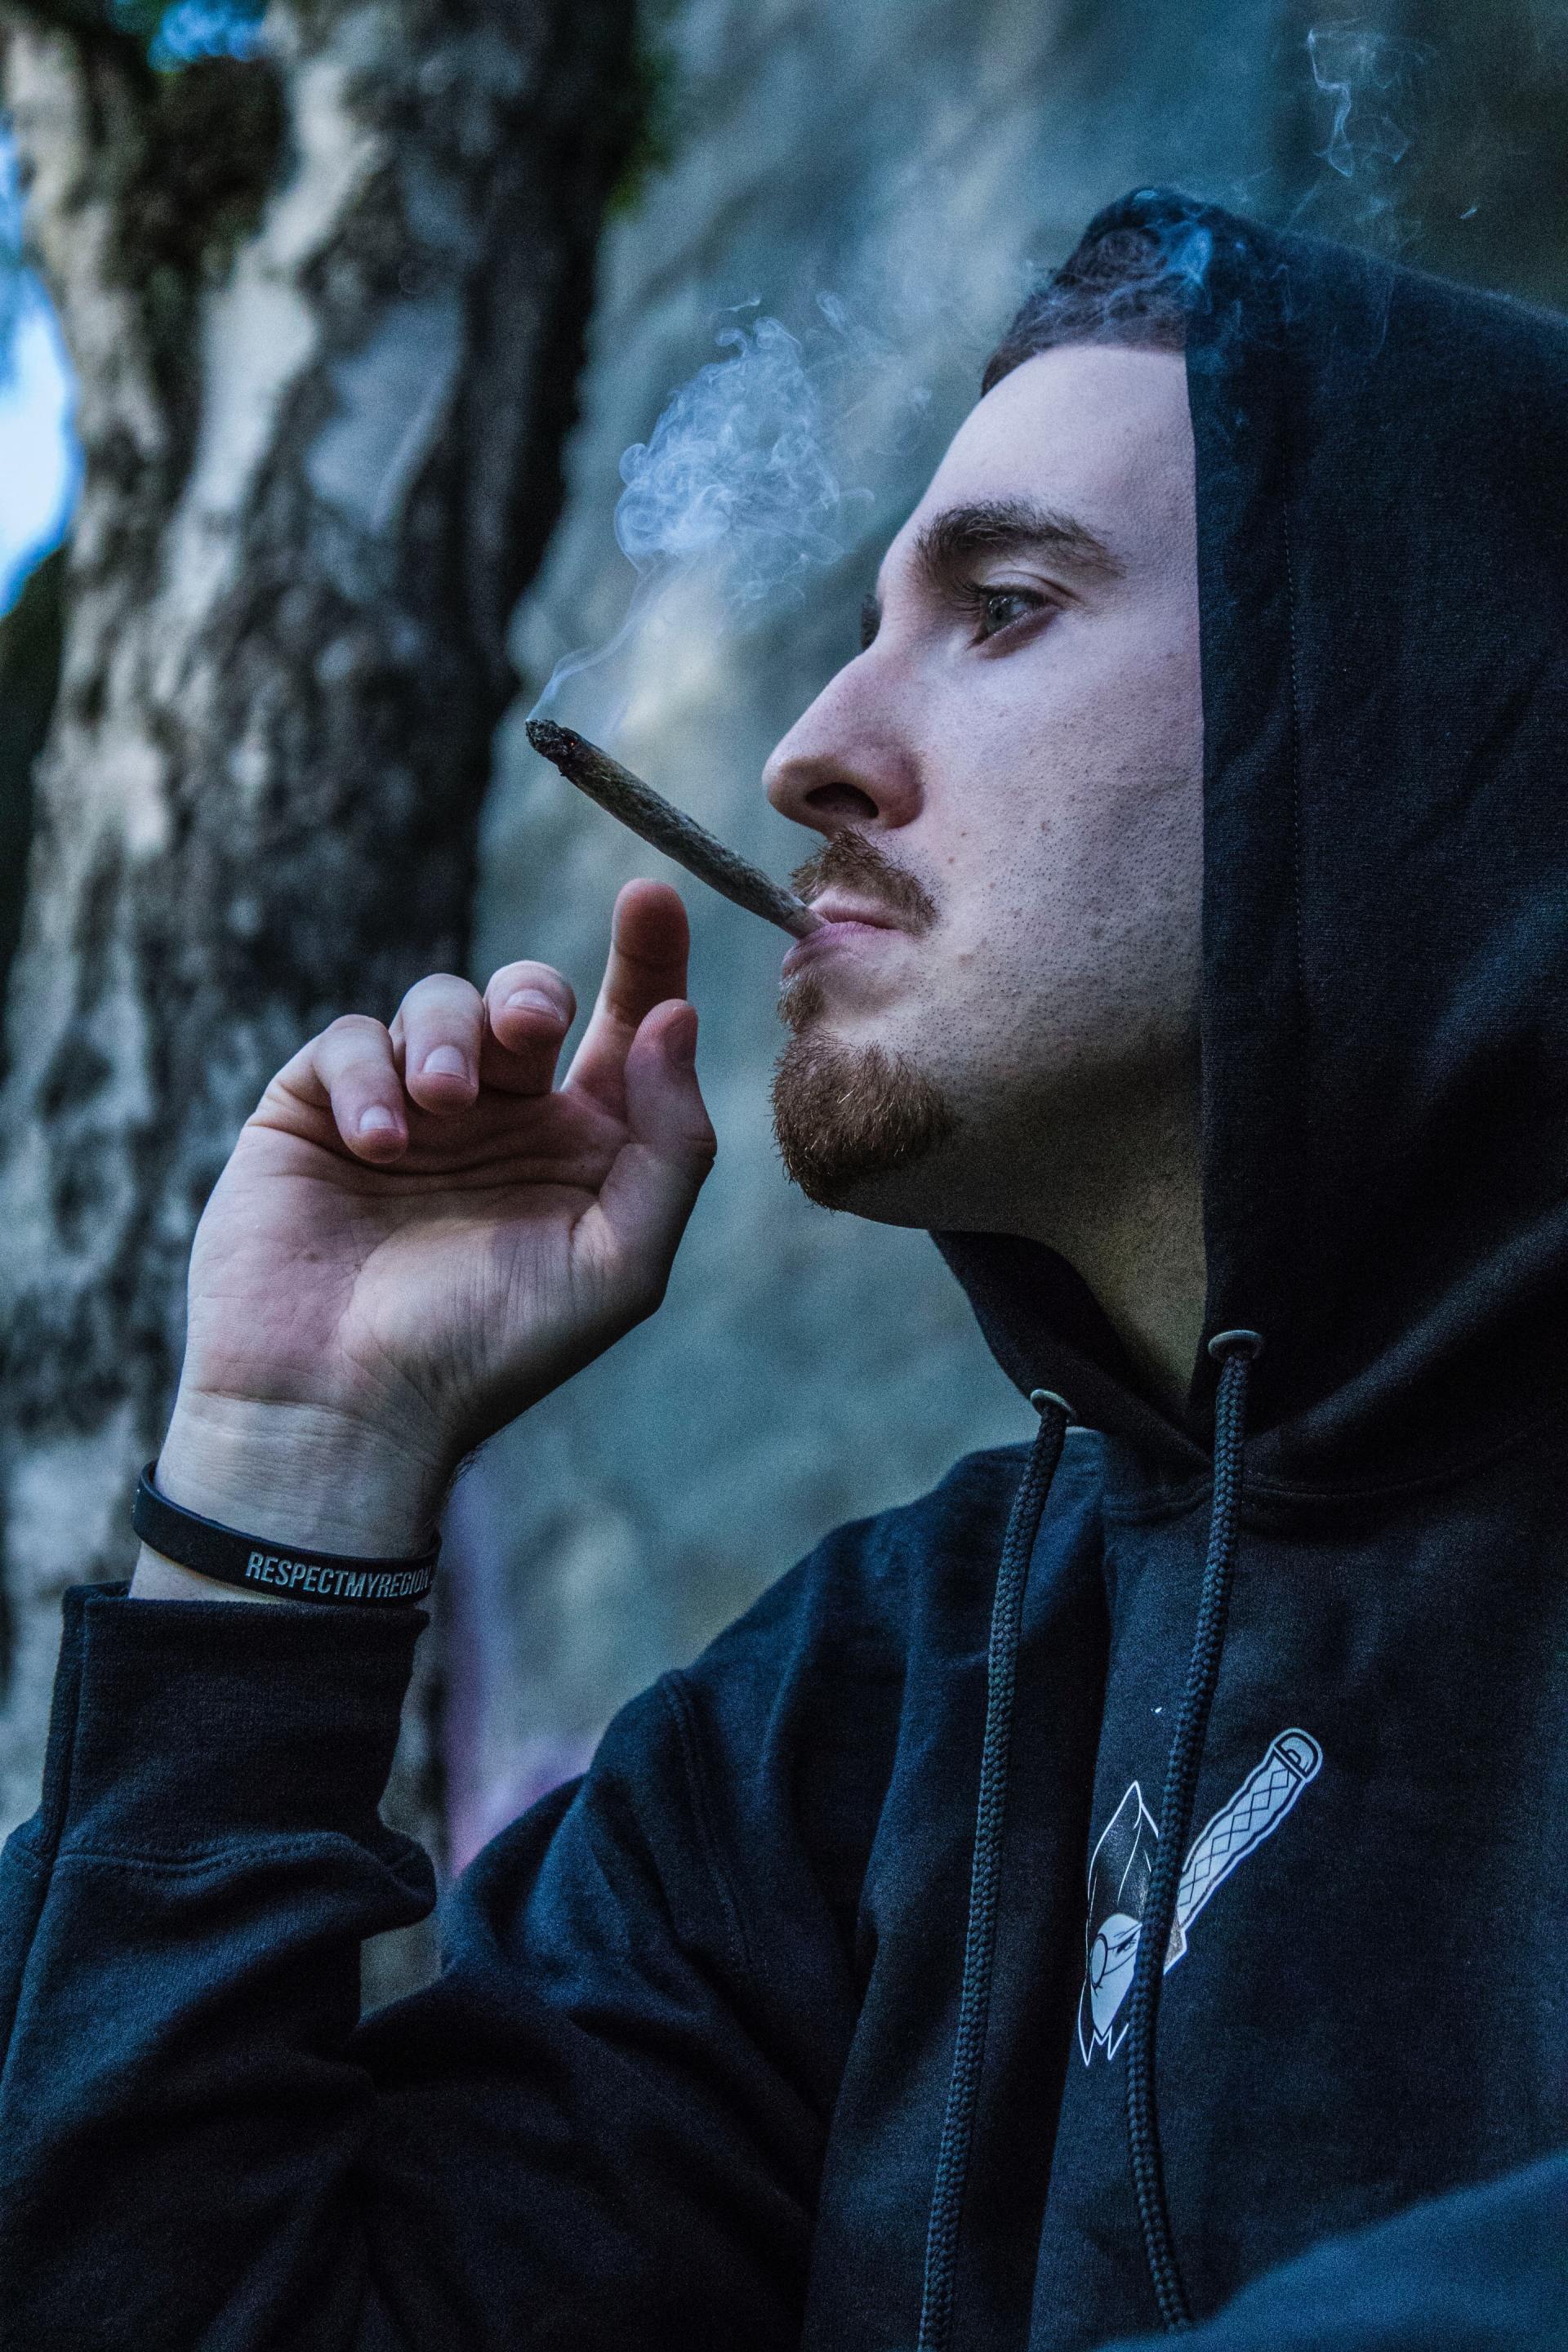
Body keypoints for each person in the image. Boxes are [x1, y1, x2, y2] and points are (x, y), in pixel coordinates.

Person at [2, 186, 1566, 2351]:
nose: (807, 751)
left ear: (1396, 694)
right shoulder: (861, 1724)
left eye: (1004, 607)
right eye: (857, 622)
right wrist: (288, 1469)